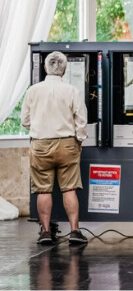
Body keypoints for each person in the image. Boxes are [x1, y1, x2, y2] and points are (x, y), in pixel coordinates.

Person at [21, 51, 89, 245]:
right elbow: (81, 120)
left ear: (45, 68)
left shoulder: (32, 91)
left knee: (43, 190)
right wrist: (79, 140)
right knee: (69, 189)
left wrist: (39, 128)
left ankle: (45, 232)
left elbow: (25, 120)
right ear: (64, 70)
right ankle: (75, 231)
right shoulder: (71, 90)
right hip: (67, 143)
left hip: (40, 144)